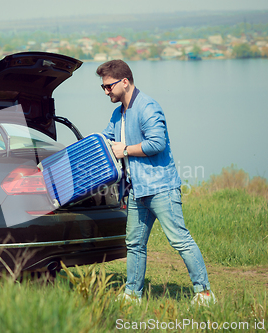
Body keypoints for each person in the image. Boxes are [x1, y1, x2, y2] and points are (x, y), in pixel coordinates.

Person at [97, 60, 215, 306]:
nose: (106, 91)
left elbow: (157, 143)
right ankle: (132, 295)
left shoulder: (148, 107)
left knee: (180, 240)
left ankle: (204, 293)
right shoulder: (118, 114)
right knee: (135, 243)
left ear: (125, 82)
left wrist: (126, 150)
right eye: (103, 88)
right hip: (136, 190)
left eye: (108, 86)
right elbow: (107, 141)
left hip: (160, 187)